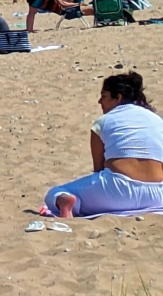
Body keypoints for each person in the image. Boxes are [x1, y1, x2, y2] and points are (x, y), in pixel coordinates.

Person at [45, 72, 163, 218]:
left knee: (54, 193)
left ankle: (66, 202)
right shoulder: (157, 120)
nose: (99, 101)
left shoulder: (104, 121)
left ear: (118, 98)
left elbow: (99, 169)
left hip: (117, 190)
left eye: (104, 96)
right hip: (157, 195)